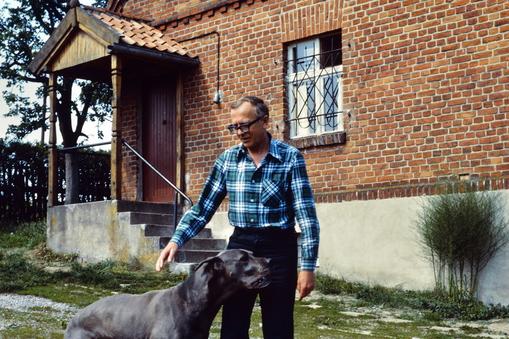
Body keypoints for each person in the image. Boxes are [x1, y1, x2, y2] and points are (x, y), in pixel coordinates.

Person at [156, 96, 320, 339]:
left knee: (279, 326)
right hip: (240, 249)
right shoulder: (227, 160)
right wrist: (176, 240)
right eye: (234, 127)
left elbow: (307, 217)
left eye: (245, 125)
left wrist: (307, 267)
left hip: (279, 248)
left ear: (264, 121)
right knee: (233, 325)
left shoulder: (290, 158)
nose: (240, 132)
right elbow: (203, 208)